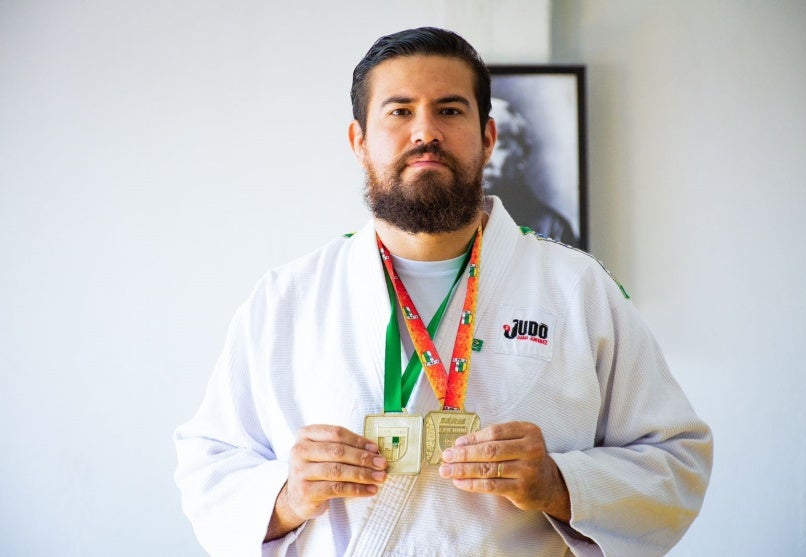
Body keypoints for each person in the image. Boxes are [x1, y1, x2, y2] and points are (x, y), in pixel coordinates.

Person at [174, 27, 712, 557]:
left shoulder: (578, 289)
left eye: (450, 110)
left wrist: (559, 482)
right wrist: (288, 497)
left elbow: (676, 459)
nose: (424, 132)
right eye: (400, 111)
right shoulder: (288, 298)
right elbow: (208, 465)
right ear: (359, 141)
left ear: (487, 137)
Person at [484, 96, 579, 246]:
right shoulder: (450, 224)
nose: (484, 157)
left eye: (499, 143)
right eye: (476, 143)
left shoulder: (553, 230)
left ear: (523, 153)